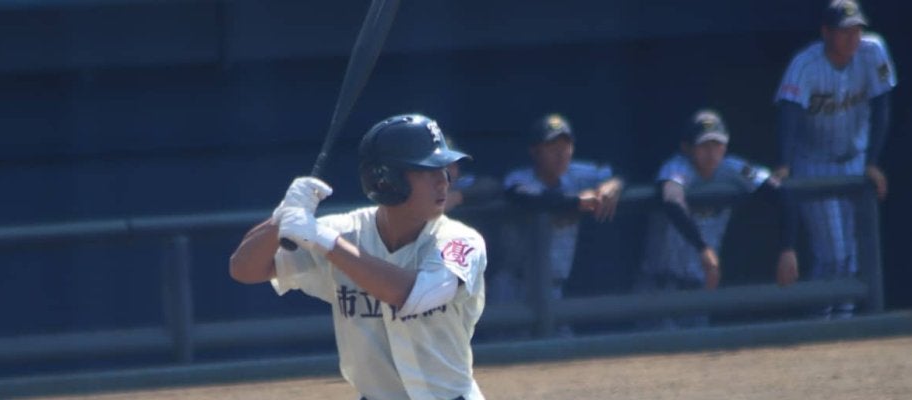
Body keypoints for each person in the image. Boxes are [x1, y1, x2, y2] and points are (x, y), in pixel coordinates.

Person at [229, 114, 487, 400]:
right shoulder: (343, 233)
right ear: (387, 180)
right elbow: (244, 269)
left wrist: (325, 241)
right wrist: (281, 218)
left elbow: (414, 295)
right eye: (427, 170)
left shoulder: (460, 241)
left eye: (444, 169)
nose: (444, 181)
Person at [774, 0, 895, 319]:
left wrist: (872, 161)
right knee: (834, 254)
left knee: (852, 257)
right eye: (844, 31)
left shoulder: (873, 50)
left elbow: (882, 106)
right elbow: (789, 113)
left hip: (855, 160)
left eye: (857, 30)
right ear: (826, 32)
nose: (853, 37)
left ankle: (843, 324)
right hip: (814, 163)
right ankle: (822, 325)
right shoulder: (805, 64)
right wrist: (784, 163)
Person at [636, 109, 799, 330]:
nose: (712, 153)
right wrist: (703, 248)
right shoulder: (676, 166)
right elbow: (672, 199)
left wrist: (787, 248)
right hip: (661, 286)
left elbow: (780, 193)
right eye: (704, 145)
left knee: (699, 349)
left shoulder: (732, 168)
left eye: (718, 144)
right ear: (687, 147)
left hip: (700, 287)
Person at [493, 113, 623, 337]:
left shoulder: (577, 173)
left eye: (566, 145)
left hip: (553, 288)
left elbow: (619, 172)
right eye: (552, 146)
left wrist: (613, 185)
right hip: (515, 287)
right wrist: (575, 202)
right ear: (535, 151)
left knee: (564, 351)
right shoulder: (520, 178)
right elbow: (524, 197)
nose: (561, 153)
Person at [443, 136, 502, 213]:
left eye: (452, 166)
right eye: (442, 166)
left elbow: (491, 185)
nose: (448, 171)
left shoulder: (463, 183)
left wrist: (457, 196)